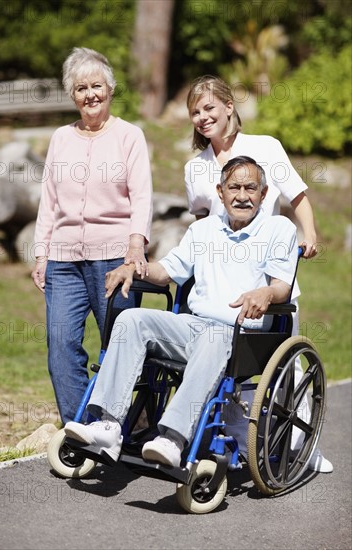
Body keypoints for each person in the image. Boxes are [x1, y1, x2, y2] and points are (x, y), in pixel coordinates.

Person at [64, 156, 299, 468]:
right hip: (194, 326)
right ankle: (107, 426)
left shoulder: (278, 228)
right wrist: (134, 269)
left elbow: (282, 287)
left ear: (263, 194)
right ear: (220, 191)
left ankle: (172, 439)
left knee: (216, 335)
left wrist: (266, 292)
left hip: (243, 335)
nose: (242, 195)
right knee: (132, 318)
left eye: (250, 188)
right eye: (234, 187)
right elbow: (167, 272)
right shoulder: (202, 230)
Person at [184, 75, 332, 473]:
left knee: (285, 367)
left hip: (269, 274)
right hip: (220, 283)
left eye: (209, 108)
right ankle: (228, 435)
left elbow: (296, 196)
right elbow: (200, 223)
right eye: (195, 112)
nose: (202, 117)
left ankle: (302, 449)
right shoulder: (195, 169)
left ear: (229, 107)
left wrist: (310, 234)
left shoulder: (264, 148)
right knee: (224, 363)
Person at [31, 47, 153, 424]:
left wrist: (135, 248)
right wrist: (41, 254)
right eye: (81, 88)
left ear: (111, 88)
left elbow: (142, 195)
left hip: (114, 259)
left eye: (96, 85)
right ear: (72, 95)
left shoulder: (130, 136)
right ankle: (79, 427)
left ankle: (121, 422)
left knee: (120, 346)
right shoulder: (60, 138)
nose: (90, 94)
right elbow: (48, 200)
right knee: (61, 347)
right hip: (63, 263)